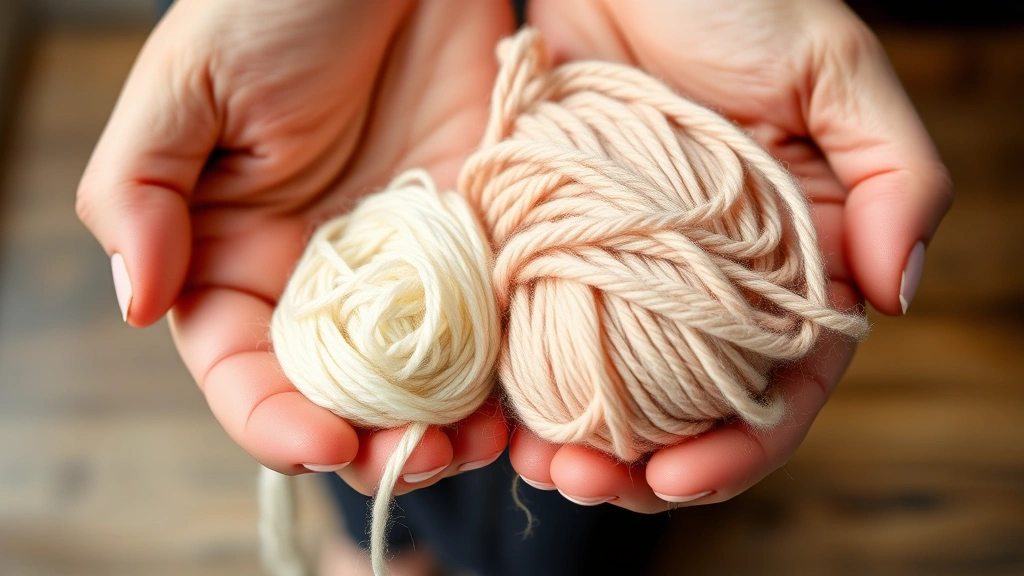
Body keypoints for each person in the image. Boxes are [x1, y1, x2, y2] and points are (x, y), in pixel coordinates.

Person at [75, 0, 951, 574]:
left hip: (622, 63)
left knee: (602, 451)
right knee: (361, 398)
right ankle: (378, 546)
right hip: (369, 64)